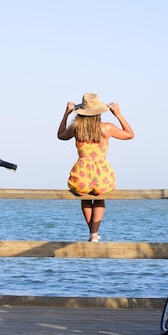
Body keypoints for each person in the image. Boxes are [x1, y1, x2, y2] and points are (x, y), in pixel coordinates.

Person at [57, 93, 135, 242]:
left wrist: (66, 113)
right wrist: (118, 115)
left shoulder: (75, 127)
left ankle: (92, 233)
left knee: (85, 199)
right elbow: (130, 134)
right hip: (102, 173)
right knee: (99, 199)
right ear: (99, 112)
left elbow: (60, 135)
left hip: (82, 172)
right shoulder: (106, 128)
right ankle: (94, 233)